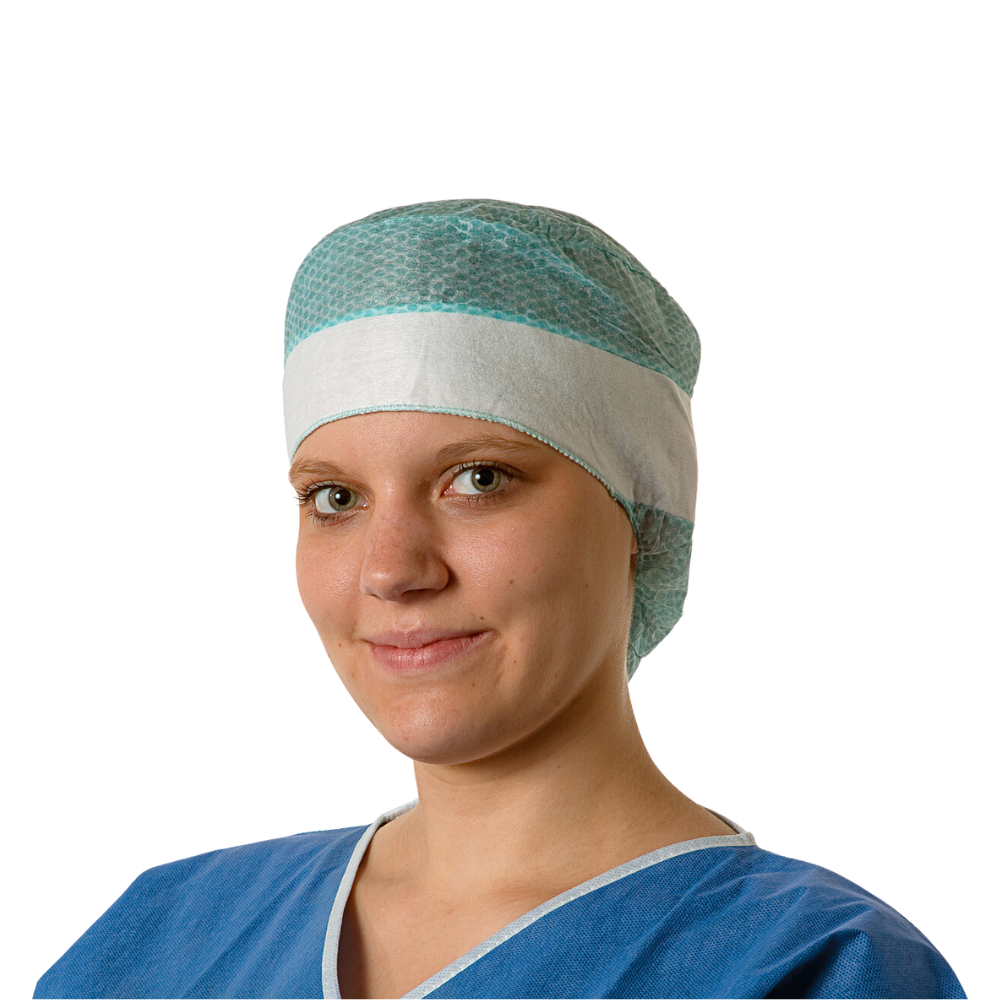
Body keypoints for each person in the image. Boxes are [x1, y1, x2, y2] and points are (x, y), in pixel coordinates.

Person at [34, 199, 965, 999]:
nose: (391, 570)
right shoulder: (164, 941)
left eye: (478, 479)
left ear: (641, 512)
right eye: (335, 498)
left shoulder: (806, 971)